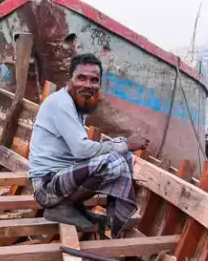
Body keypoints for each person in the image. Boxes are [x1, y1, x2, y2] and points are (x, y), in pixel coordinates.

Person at [28, 53, 150, 236]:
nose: (88, 85)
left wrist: (122, 146)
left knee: (123, 156)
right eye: (81, 78)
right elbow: (81, 150)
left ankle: (76, 207)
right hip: (46, 188)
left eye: (94, 80)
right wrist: (124, 143)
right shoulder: (62, 103)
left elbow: (84, 150)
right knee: (115, 162)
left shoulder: (75, 105)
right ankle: (61, 207)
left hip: (58, 181)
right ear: (70, 79)